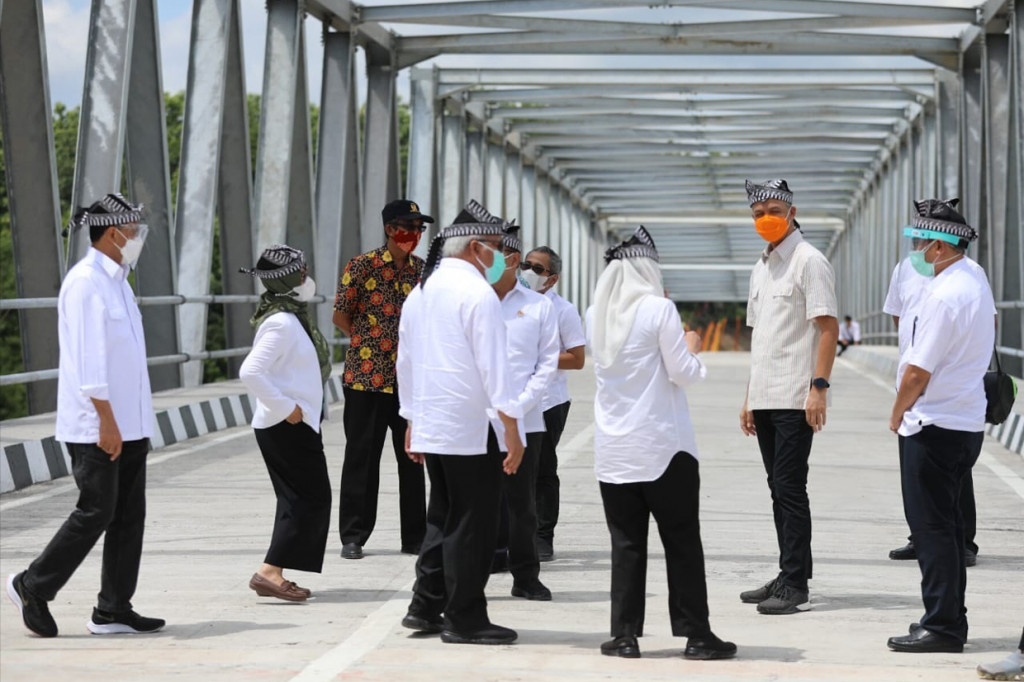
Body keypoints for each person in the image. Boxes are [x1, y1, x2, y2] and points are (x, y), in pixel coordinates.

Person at [6, 194, 164, 637]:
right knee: (96, 510)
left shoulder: (119, 281)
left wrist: (134, 424)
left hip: (129, 423)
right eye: (134, 229)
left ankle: (114, 609)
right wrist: (107, 423)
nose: (138, 236)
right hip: (98, 424)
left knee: (129, 516)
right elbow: (90, 363)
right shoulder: (85, 283)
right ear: (114, 233)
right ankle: (33, 585)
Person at [587, 226, 735, 661]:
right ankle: (696, 635)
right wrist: (692, 345)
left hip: (613, 451)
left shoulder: (594, 312)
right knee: (682, 540)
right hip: (664, 448)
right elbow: (683, 372)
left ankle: (624, 635)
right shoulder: (659, 309)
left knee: (626, 544)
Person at [397, 201, 525, 645]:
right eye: (495, 248)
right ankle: (465, 617)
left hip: (434, 421)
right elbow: (495, 368)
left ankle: (426, 605)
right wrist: (511, 427)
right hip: (469, 425)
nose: (500, 258)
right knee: (474, 523)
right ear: (475, 247)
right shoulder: (477, 294)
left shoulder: (422, 291)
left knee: (443, 516)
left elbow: (406, 362)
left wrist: (412, 418)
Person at [886, 198, 995, 654]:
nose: (915, 249)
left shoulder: (944, 297)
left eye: (919, 241)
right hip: (964, 420)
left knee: (931, 530)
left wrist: (896, 415)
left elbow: (917, 372)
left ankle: (943, 628)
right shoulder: (973, 279)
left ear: (940, 245)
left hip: (931, 423)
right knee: (948, 529)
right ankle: (948, 616)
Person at [739, 179, 839, 616]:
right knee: (777, 489)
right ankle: (787, 572)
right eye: (759, 212)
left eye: (775, 210)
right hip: (765, 395)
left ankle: (795, 584)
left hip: (797, 395)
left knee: (790, 488)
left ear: (793, 210)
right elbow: (761, 337)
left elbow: (828, 328)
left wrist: (818, 389)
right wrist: (748, 397)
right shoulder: (761, 267)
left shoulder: (809, 261)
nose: (767, 219)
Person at [333, 199, 431, 559]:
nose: (415, 234)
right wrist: (369, 342)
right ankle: (353, 536)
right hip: (366, 379)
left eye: (420, 228)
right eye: (409, 226)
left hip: (409, 381)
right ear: (390, 228)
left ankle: (415, 538)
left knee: (413, 459)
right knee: (362, 457)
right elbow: (341, 315)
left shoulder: (424, 271)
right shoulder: (361, 266)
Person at [883, 251, 989, 567]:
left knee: (955, 472)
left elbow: (986, 321)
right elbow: (897, 314)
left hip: (949, 386)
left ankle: (963, 541)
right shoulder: (904, 268)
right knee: (913, 472)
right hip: (914, 377)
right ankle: (921, 536)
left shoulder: (970, 274)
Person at [239, 245, 333, 603]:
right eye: (302, 271)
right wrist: (286, 407)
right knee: (306, 499)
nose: (307, 276)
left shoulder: (289, 316)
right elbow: (250, 371)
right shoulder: (280, 321)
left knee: (299, 499)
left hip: (293, 423)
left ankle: (274, 572)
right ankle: (268, 572)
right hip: (286, 425)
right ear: (289, 279)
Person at [489, 220, 559, 600]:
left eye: (489, 252)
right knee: (470, 504)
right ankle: (468, 573)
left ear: (510, 259)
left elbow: (547, 365)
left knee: (522, 506)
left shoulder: (537, 307)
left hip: (526, 420)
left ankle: (526, 576)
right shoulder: (471, 300)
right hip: (476, 421)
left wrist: (516, 408)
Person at [519, 246, 586, 562]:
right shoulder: (509, 302)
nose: (529, 270)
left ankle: (543, 537)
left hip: (549, 402)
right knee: (515, 469)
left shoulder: (563, 310)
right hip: (515, 398)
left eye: (538, 268)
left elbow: (577, 359)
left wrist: (537, 357)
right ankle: (515, 533)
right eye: (525, 264)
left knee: (543, 469)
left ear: (553, 278)